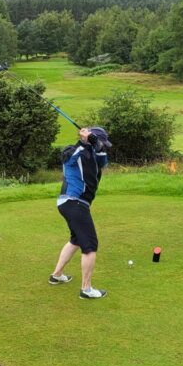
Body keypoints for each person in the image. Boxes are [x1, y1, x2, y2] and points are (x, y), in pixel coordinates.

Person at [48, 126, 111, 299]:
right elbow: (68, 158)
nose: (101, 145)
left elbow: (102, 155)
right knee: (90, 245)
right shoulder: (74, 151)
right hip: (73, 202)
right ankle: (86, 289)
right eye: (99, 141)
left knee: (76, 239)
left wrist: (92, 141)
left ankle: (57, 275)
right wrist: (83, 141)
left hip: (73, 204)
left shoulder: (96, 156)